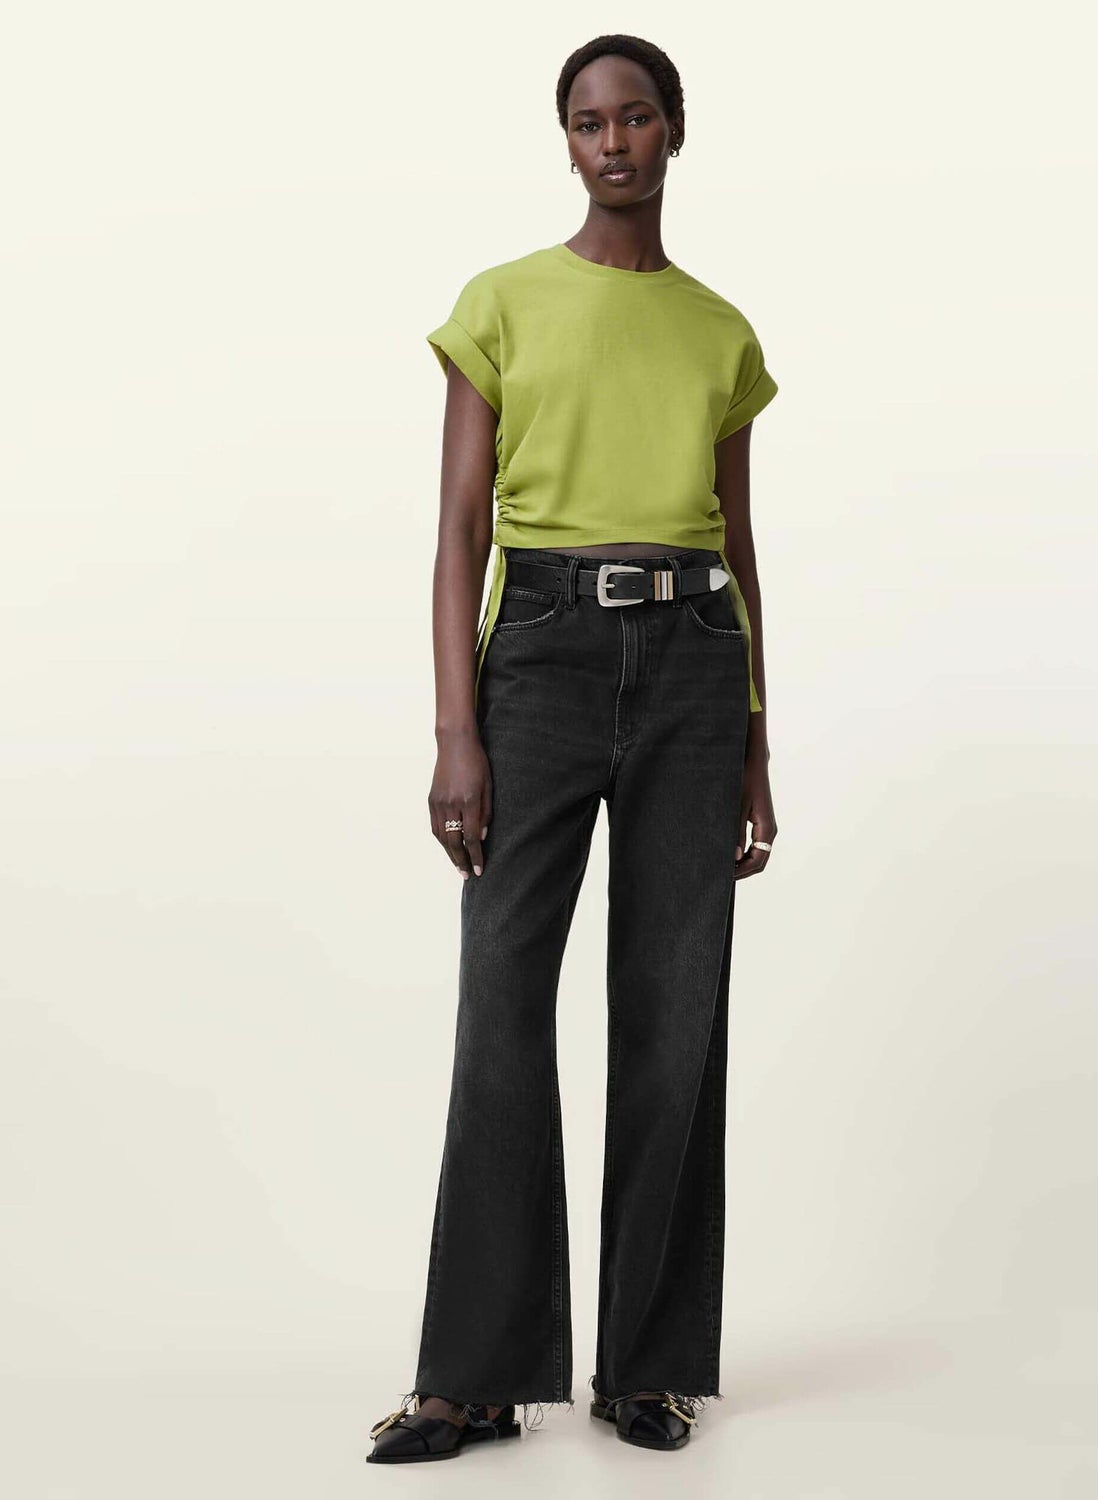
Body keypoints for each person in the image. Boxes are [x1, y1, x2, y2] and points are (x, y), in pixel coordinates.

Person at [366, 32, 779, 1464]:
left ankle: (649, 1365)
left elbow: (739, 546)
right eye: (590, 122)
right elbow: (456, 532)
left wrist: (755, 741)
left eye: (637, 117)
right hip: (537, 658)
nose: (614, 142)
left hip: (694, 661)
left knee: (674, 1017)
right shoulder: (501, 303)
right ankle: (475, 1378)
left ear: (675, 132)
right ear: (568, 142)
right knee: (502, 1006)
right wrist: (455, 729)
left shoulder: (721, 333)